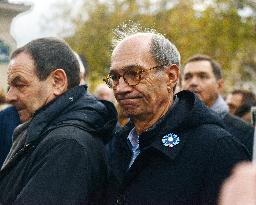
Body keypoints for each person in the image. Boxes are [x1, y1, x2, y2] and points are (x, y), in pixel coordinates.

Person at [105, 27, 249, 205]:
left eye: (134, 74)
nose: (120, 88)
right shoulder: (116, 143)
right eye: (114, 77)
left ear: (171, 76)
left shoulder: (217, 147)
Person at [0, 37, 117, 205]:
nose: (10, 96)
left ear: (57, 81)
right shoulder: (54, 135)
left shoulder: (68, 145)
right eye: (9, 86)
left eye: (20, 85)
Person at [182, 54, 254, 155]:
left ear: (219, 85)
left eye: (203, 76)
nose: (193, 82)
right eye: (187, 77)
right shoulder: (171, 125)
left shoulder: (245, 133)